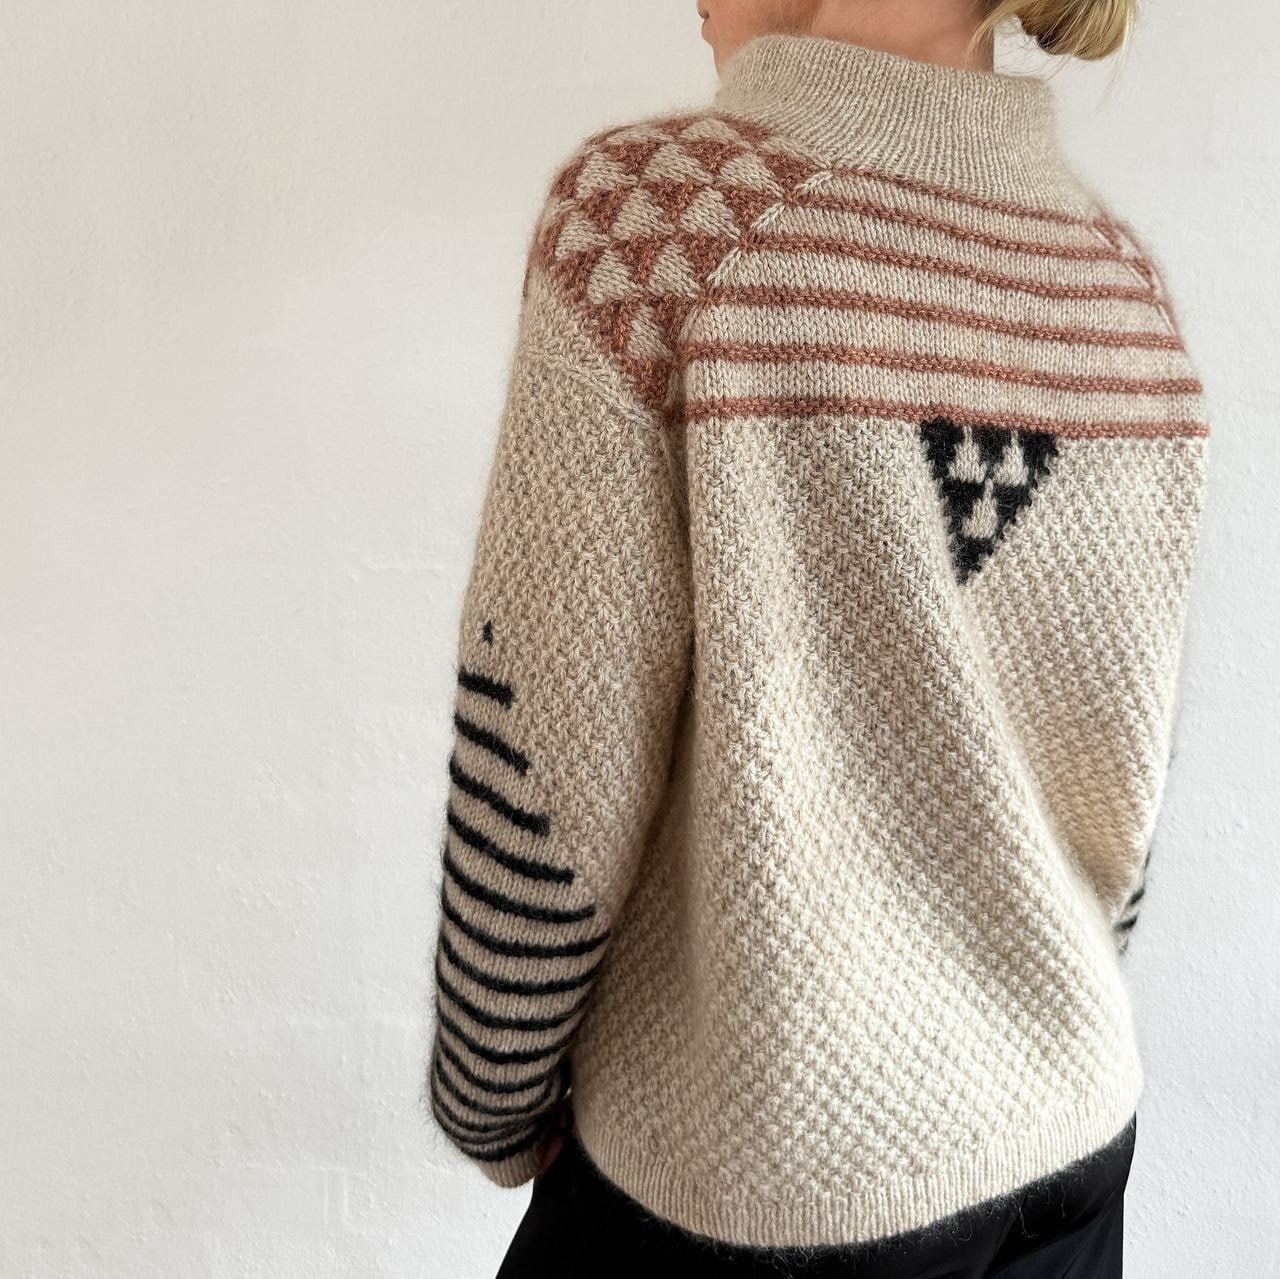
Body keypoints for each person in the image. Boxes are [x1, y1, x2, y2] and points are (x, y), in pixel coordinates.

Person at [425, 1, 1209, 1274]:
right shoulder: (1116, 288)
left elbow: (548, 767)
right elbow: (1115, 791)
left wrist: (489, 1100)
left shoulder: (659, 224)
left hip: (766, 1183)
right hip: (1066, 1142)